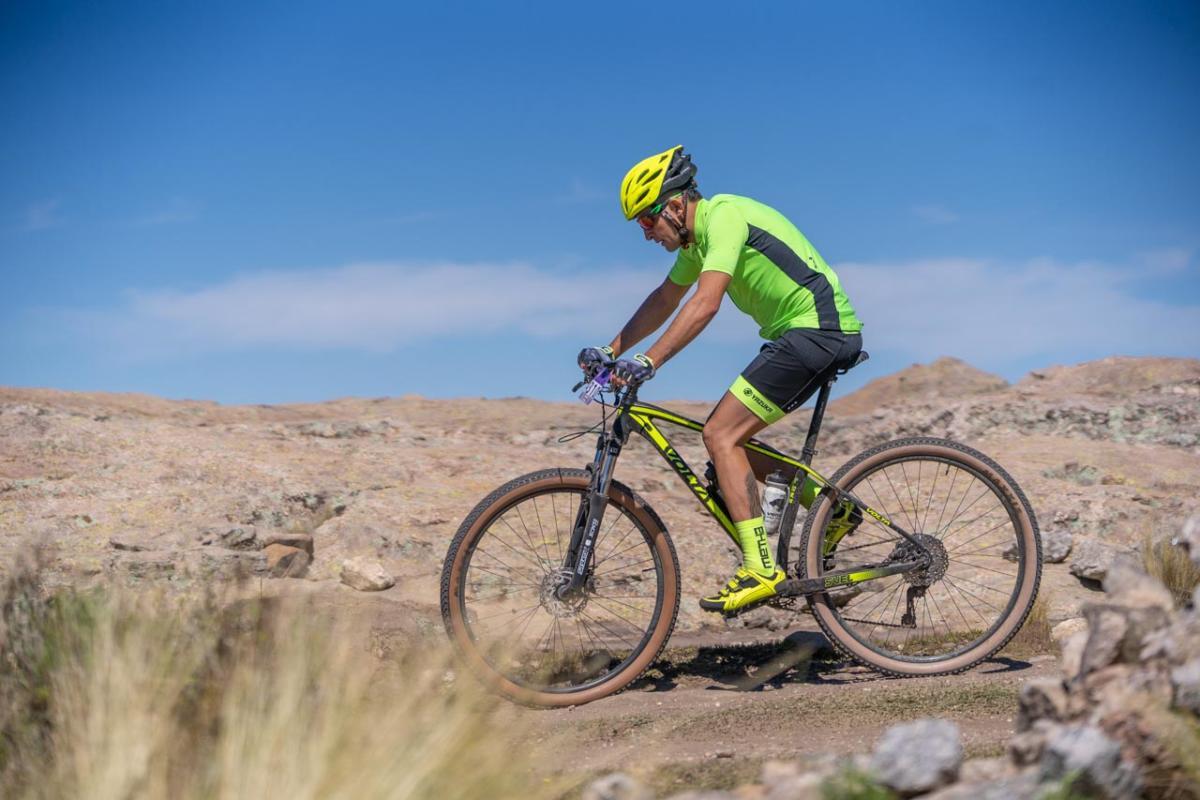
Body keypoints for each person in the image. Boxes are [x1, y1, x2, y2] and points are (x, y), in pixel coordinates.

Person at [578, 145, 865, 615]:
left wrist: (648, 361)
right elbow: (665, 299)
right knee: (728, 448)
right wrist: (611, 351)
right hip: (799, 334)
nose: (645, 234)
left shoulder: (724, 216)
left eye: (647, 220)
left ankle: (761, 569)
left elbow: (705, 303)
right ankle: (833, 507)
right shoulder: (697, 244)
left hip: (818, 330)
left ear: (675, 206)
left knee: (720, 435)